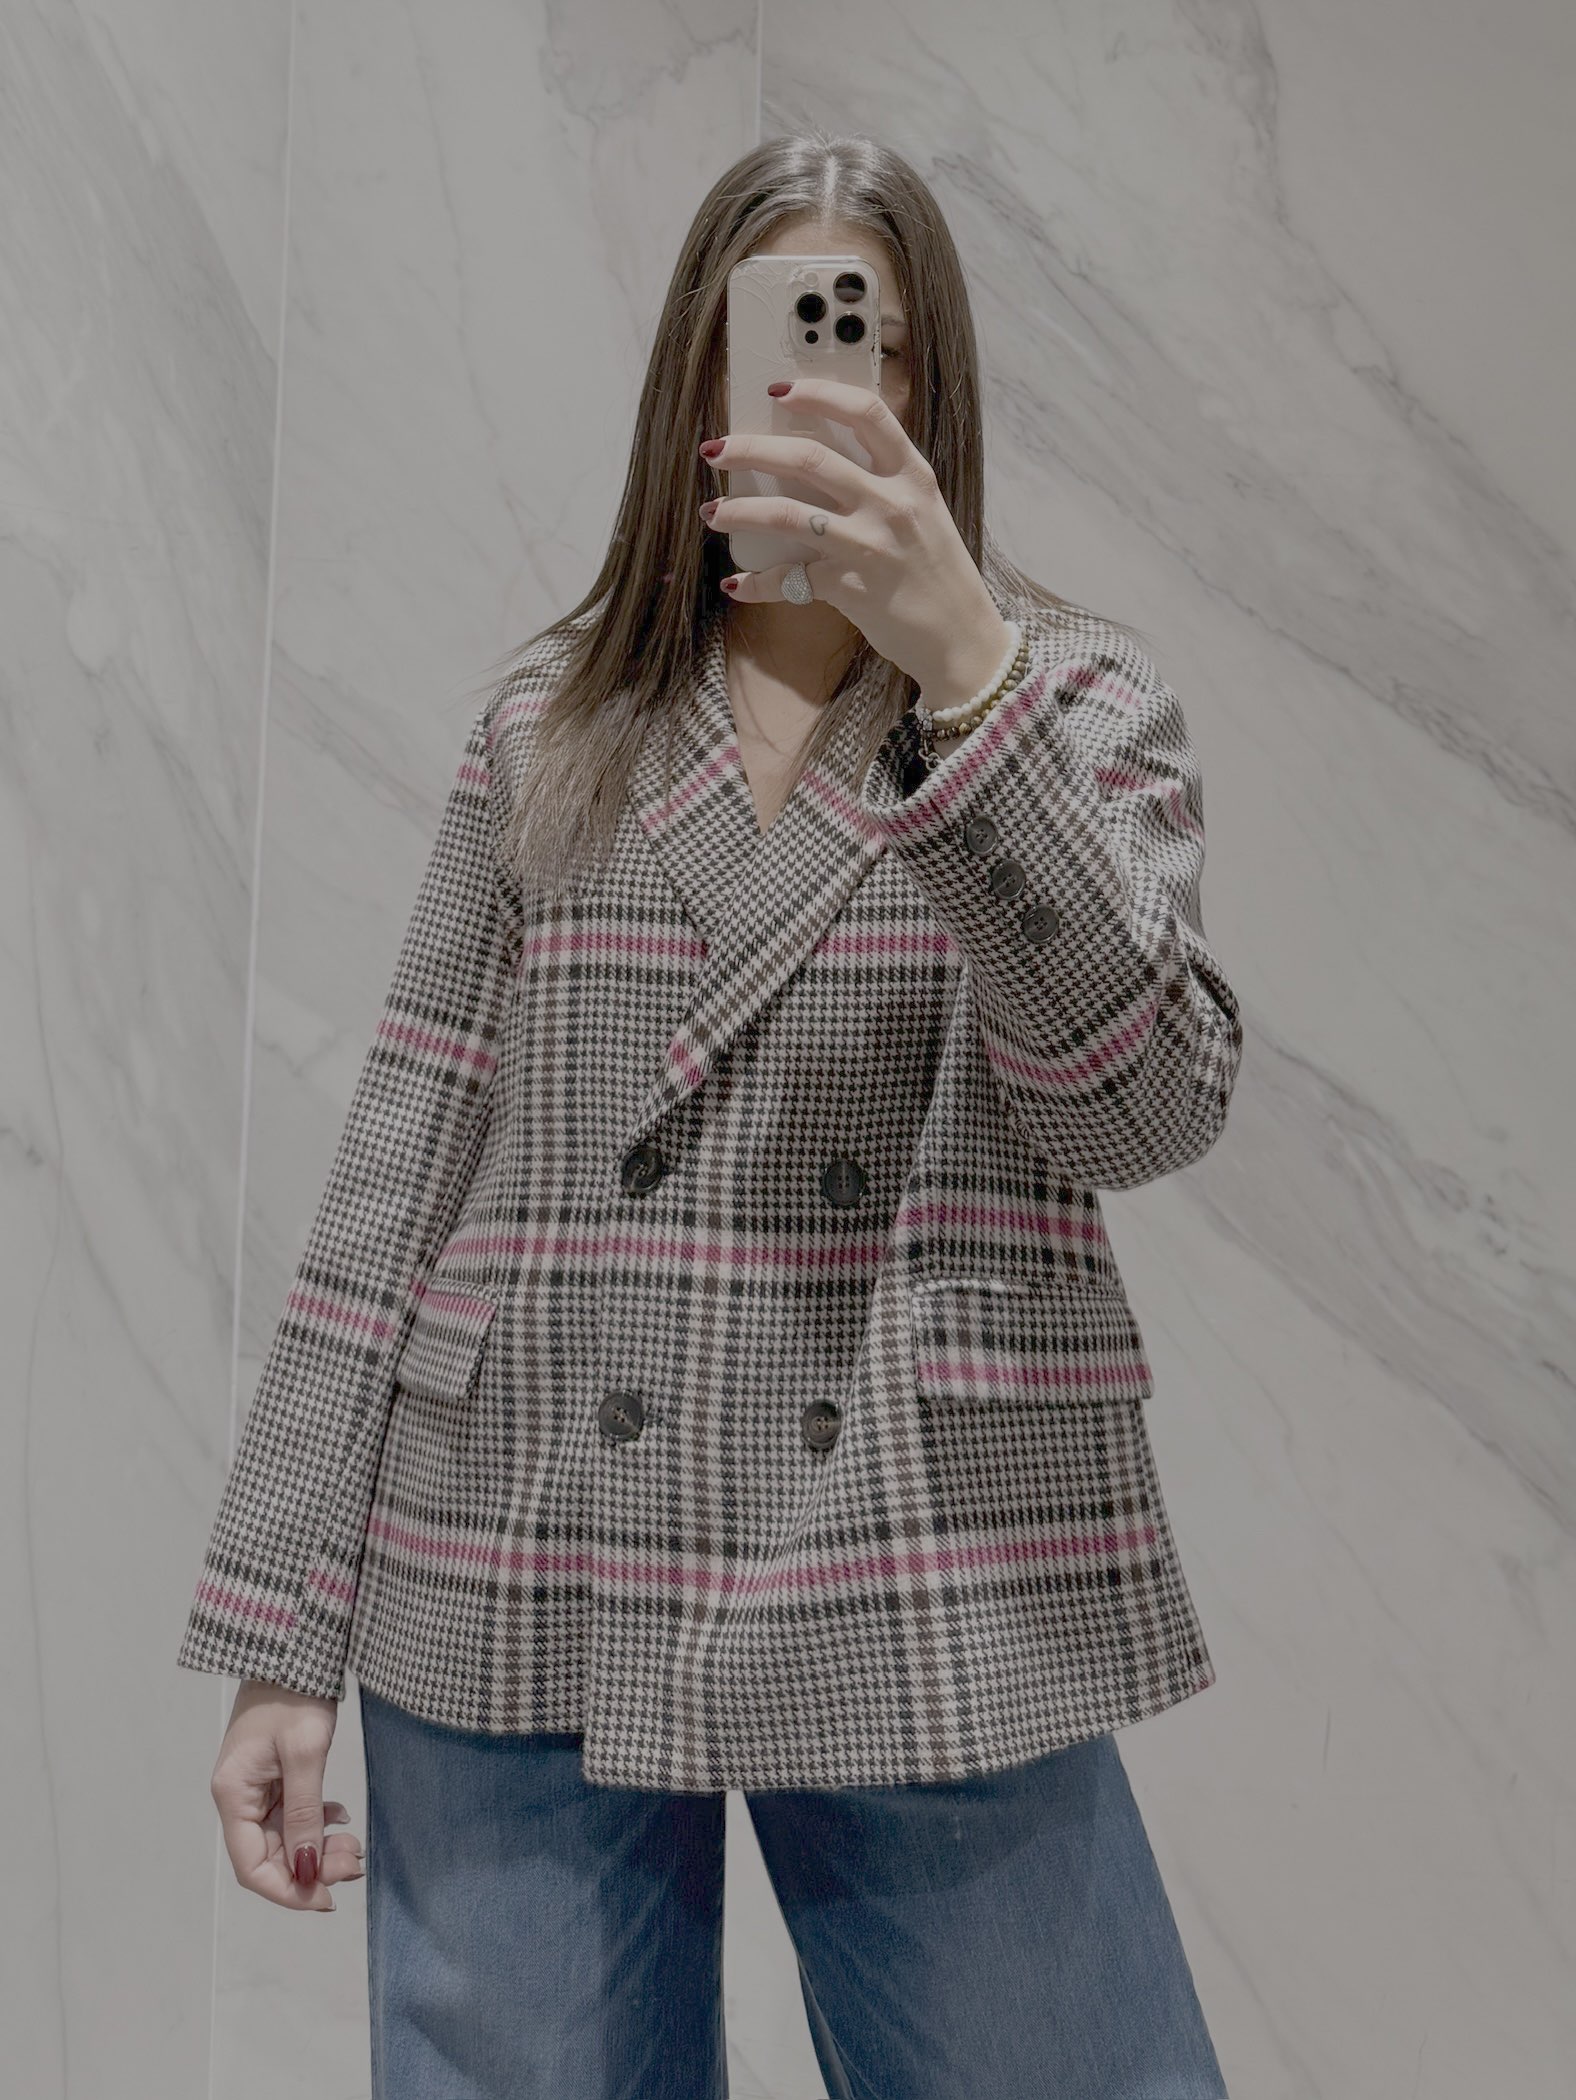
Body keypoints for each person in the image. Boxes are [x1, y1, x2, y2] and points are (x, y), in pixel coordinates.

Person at [178, 130, 1241, 2099]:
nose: (829, 386)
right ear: (698, 377)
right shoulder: (552, 730)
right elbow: (397, 1173)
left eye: (874, 344)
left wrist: (966, 675)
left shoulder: (1069, 707)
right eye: (780, 337)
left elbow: (1139, 1107)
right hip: (522, 1528)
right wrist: (281, 1628)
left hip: (921, 1527)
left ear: (933, 386)